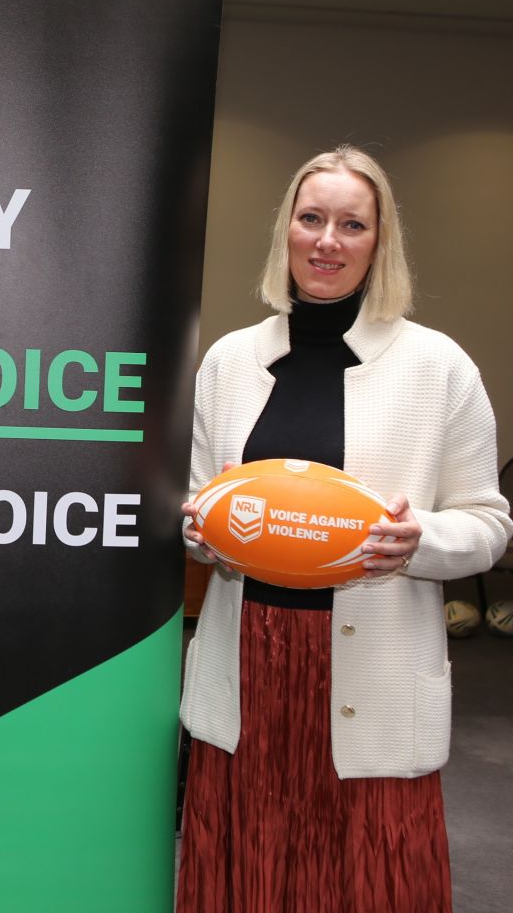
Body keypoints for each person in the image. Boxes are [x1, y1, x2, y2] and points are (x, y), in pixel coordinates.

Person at [176, 145, 511, 913]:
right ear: (286, 232)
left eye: (352, 223)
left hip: (374, 672)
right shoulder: (231, 360)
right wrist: (197, 530)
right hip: (248, 664)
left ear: (378, 242)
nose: (328, 239)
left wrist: (419, 538)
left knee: (368, 875)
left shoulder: (438, 367)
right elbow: (202, 503)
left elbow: (489, 524)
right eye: (312, 218)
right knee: (248, 873)